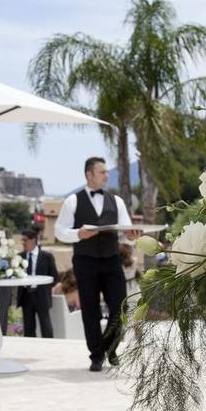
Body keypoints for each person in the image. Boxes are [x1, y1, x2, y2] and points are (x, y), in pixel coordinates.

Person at [54, 157, 139, 371]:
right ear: (89, 174)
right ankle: (96, 355)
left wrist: (131, 235)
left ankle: (111, 347)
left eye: (106, 172)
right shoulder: (73, 201)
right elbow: (60, 231)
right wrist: (78, 234)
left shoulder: (117, 201)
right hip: (85, 261)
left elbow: (125, 234)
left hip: (111, 260)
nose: (106, 175)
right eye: (102, 172)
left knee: (120, 307)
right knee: (90, 309)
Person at [17, 228, 59, 338]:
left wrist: (45, 289)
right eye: (22, 240)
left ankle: (49, 350)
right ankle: (30, 351)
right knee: (28, 329)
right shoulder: (19, 257)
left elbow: (55, 277)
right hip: (26, 296)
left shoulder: (47, 256)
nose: (23, 243)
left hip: (42, 296)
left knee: (46, 327)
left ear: (33, 240)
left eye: (25, 240)